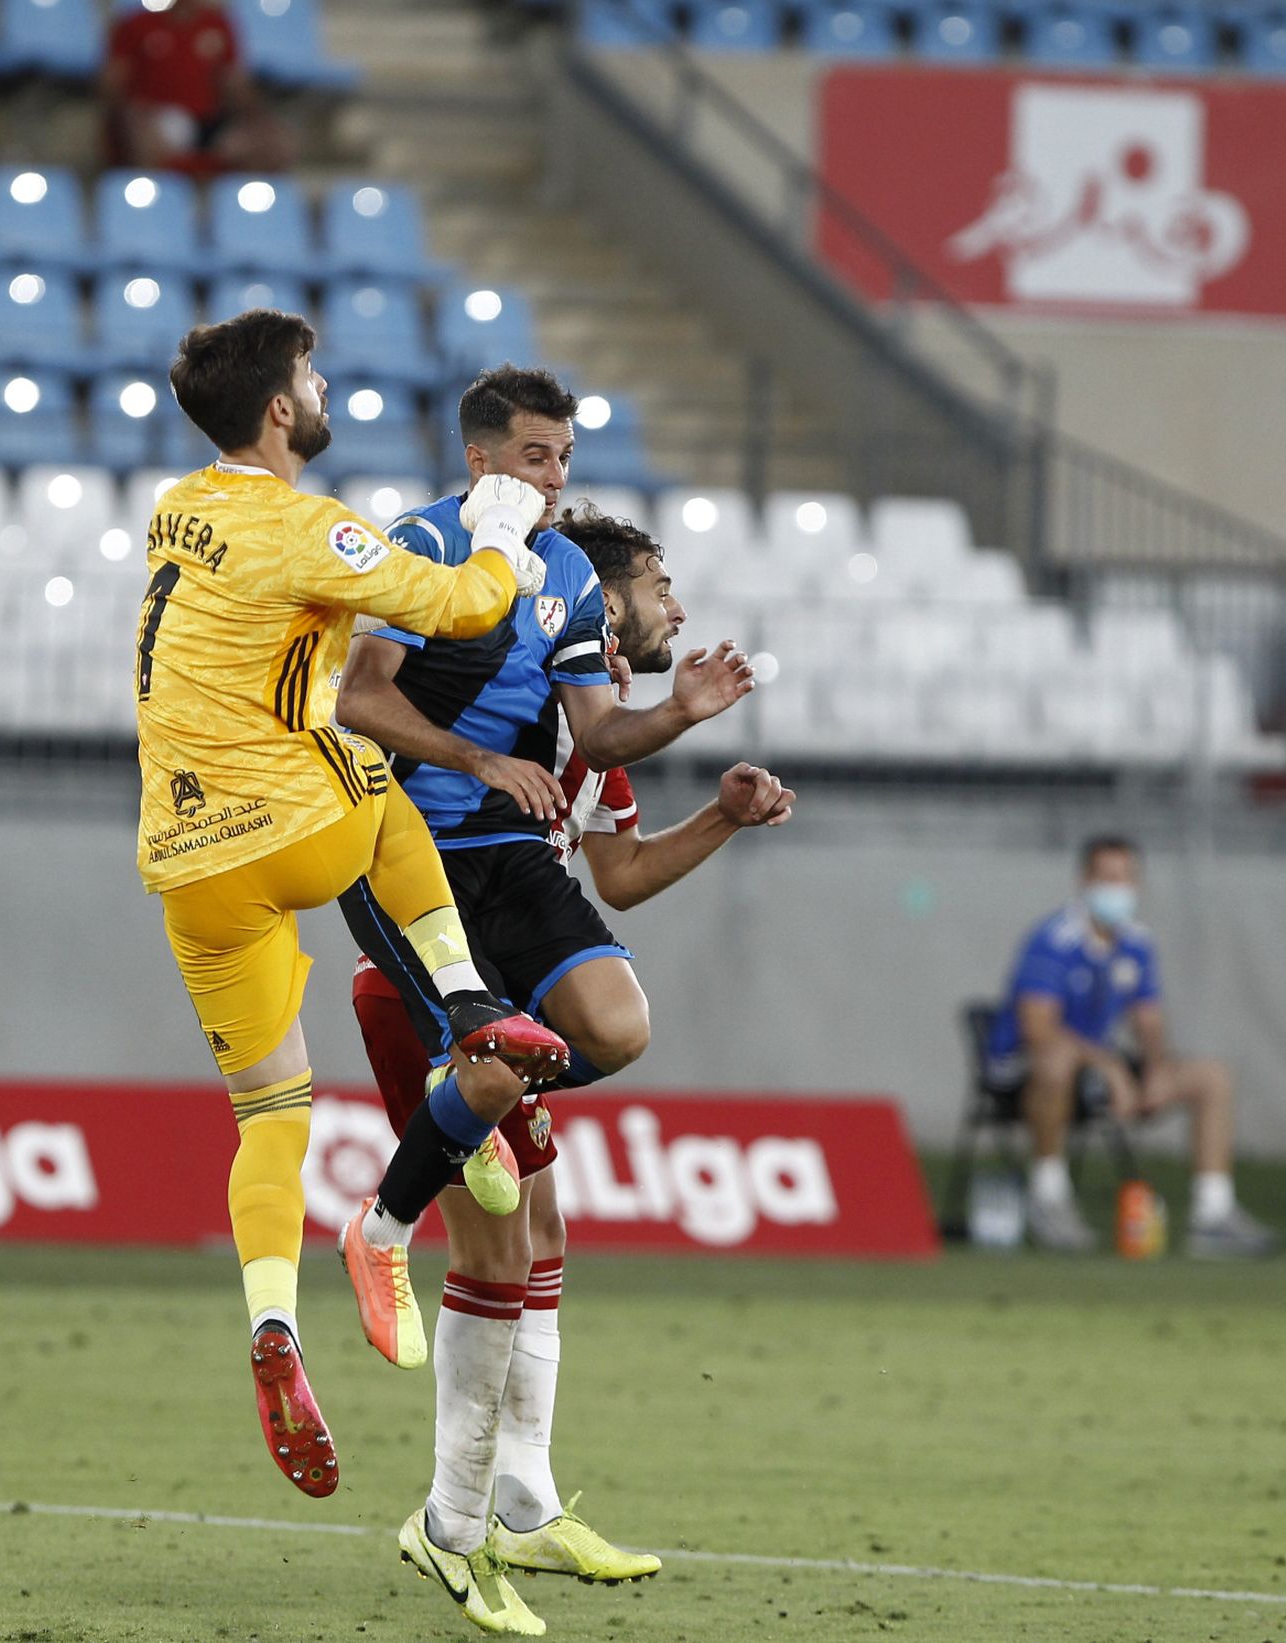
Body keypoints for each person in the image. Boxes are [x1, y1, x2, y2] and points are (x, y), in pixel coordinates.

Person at [333, 369, 758, 1634]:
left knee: (565, 1167)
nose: (552, 473)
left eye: (564, 454)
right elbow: (357, 692)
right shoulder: (419, 545)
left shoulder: (564, 582)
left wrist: (680, 718)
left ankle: (516, 1497)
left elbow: (609, 798)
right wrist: (477, 756)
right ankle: (454, 1518)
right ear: (478, 456)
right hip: (412, 877)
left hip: (516, 881)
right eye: (533, 452)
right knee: (498, 1248)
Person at [137, 309, 566, 1503]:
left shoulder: (178, 505)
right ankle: (474, 1002)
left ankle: (271, 1323)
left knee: (271, 1113)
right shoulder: (303, 525)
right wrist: (502, 532)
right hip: (285, 828)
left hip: (182, 861)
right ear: (280, 408)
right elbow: (463, 608)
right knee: (380, 783)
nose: (322, 393)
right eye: (311, 380)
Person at [986, 835, 1277, 1257]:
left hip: (1097, 1070)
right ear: (1084, 880)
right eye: (1107, 877)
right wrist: (1110, 1067)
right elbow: (1038, 1028)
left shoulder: (1137, 943)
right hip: (1023, 1070)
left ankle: (1213, 1213)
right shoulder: (1053, 939)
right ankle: (1048, 1196)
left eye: (1125, 877)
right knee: (1057, 1059)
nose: (1117, 888)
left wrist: (1156, 1067)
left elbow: (1148, 1018)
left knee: (1211, 1076)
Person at [101, 0, 291, 176]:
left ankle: (245, 208)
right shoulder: (137, 24)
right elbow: (113, 84)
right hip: (163, 120)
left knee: (273, 144)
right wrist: (132, 113)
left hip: (209, 122)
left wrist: (258, 120)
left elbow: (234, 84)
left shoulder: (217, 25)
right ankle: (157, 204)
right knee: (146, 136)